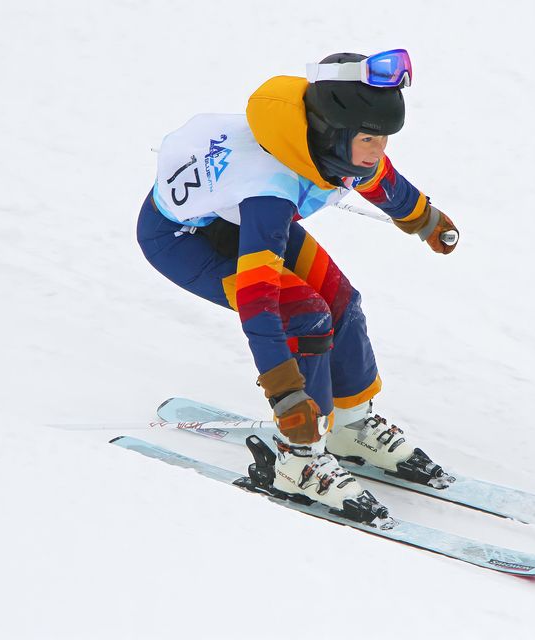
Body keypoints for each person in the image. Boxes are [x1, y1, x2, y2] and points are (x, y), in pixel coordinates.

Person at [137, 50, 459, 518]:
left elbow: (378, 178)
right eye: (370, 138)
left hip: (233, 213)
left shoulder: (326, 146)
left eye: (383, 138)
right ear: (333, 135)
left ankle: (350, 427)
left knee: (342, 301)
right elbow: (259, 304)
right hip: (183, 239)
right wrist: (287, 393)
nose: (378, 151)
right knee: (306, 314)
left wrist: (423, 218)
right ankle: (299, 460)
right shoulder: (270, 188)